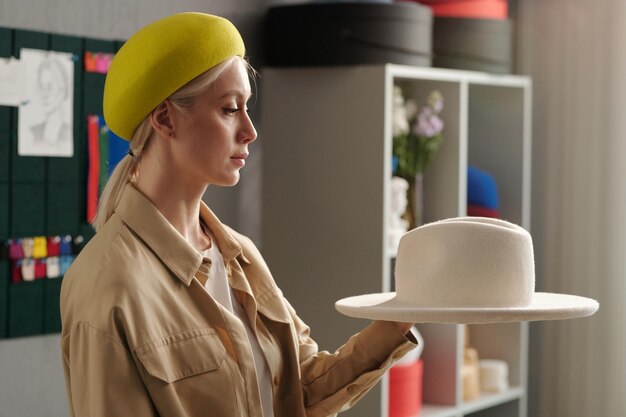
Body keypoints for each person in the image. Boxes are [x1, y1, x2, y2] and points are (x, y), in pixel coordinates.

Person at [60, 12, 417, 417]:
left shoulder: (239, 256)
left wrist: (401, 318)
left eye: (247, 108)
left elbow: (302, 387)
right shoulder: (108, 285)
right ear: (164, 119)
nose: (250, 130)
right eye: (230, 109)